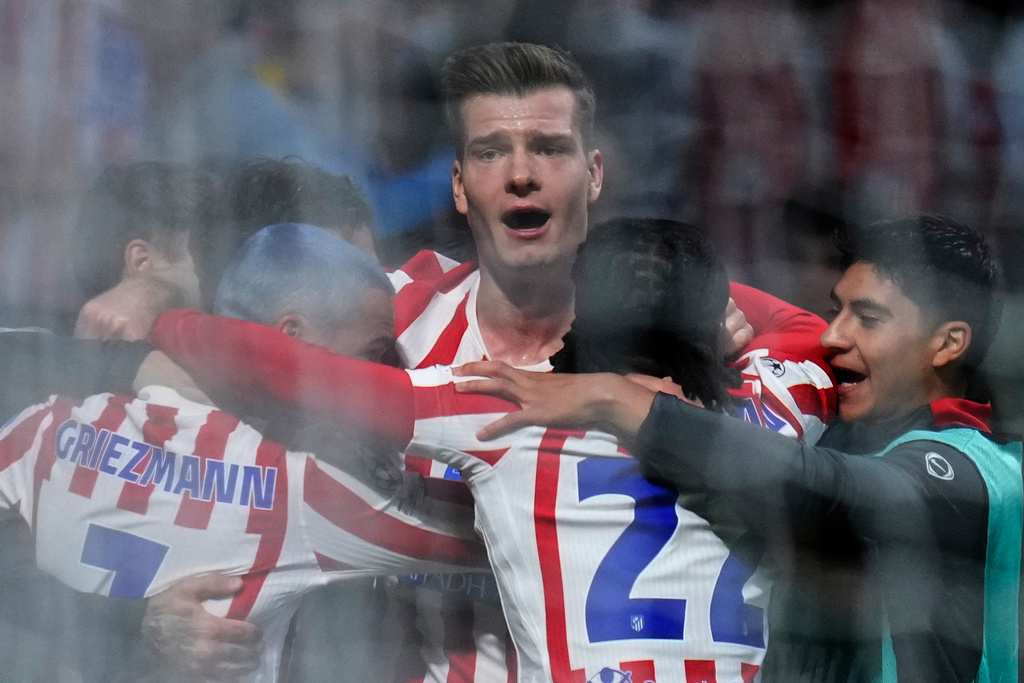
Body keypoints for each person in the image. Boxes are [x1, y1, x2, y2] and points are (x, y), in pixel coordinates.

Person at [146, 217, 836, 682]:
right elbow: (805, 326)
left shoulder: (508, 408)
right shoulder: (782, 404)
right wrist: (682, 293)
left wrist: (161, 320)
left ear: (582, 314)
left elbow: (280, 366)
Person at [454, 214, 1020, 683]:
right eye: (835, 310)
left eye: (867, 319)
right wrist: (679, 307)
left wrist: (612, 396)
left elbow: (826, 489)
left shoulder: (983, 473)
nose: (833, 336)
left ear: (948, 344)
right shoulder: (831, 423)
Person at [0, 223, 486, 682]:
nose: (382, 374)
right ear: (290, 339)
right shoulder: (304, 485)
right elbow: (518, 521)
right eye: (374, 351)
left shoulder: (46, 425)